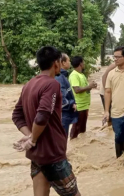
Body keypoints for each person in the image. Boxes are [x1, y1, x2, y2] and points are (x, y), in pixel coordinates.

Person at [12, 46, 80, 196]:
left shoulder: (29, 84)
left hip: (36, 155)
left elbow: (17, 115)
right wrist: (33, 139)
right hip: (52, 154)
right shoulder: (52, 84)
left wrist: (29, 136)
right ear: (56, 63)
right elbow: (42, 116)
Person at [69, 56, 97, 139]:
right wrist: (89, 87)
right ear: (80, 63)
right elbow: (76, 89)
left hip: (84, 105)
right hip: (79, 105)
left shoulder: (81, 75)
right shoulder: (74, 75)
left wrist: (90, 86)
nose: (84, 64)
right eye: (83, 62)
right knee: (76, 128)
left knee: (82, 128)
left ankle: (81, 145)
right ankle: (73, 143)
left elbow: (84, 88)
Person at [55, 53, 78, 136]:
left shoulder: (62, 76)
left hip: (63, 114)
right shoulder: (59, 77)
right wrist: (72, 104)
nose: (70, 62)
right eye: (68, 60)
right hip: (63, 115)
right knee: (62, 141)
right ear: (63, 63)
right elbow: (61, 98)